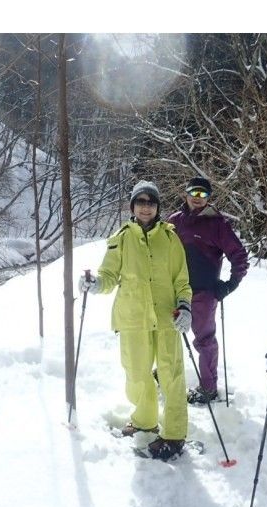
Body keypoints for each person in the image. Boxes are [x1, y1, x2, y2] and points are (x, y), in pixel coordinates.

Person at [79, 180, 193, 460]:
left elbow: (182, 279)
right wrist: (95, 284)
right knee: (137, 374)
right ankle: (144, 421)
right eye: (140, 202)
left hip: (168, 317)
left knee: (172, 376)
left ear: (157, 207)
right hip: (133, 318)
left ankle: (175, 435)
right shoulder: (121, 238)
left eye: (151, 202)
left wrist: (185, 306)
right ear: (132, 206)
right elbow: (108, 276)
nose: (146, 207)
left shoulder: (169, 237)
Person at [167, 176, 248, 404]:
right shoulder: (174, 221)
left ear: (209, 198)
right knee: (167, 334)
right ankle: (166, 374)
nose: (198, 198)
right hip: (173, 291)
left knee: (204, 340)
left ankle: (208, 388)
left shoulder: (217, 224)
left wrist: (230, 284)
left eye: (203, 194)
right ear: (186, 193)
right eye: (194, 192)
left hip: (203, 293)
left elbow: (239, 256)